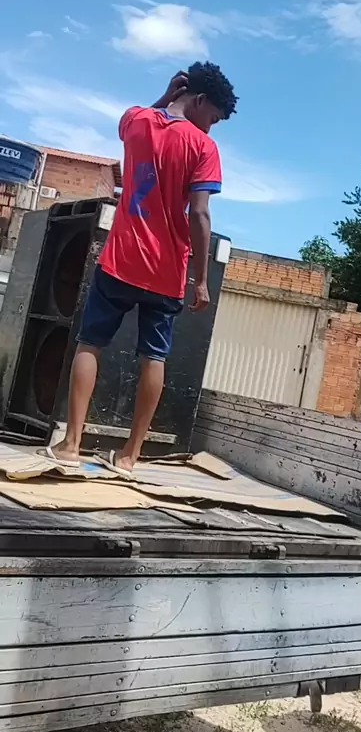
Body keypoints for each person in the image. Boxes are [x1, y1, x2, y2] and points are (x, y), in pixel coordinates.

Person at [41, 62, 238, 473]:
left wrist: (165, 98)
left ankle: (71, 446)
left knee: (90, 345)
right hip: (166, 271)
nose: (212, 127)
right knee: (154, 358)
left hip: (120, 260)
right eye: (214, 117)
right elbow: (200, 214)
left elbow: (132, 123)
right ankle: (129, 456)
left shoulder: (137, 119)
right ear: (201, 100)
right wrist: (201, 280)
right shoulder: (203, 148)